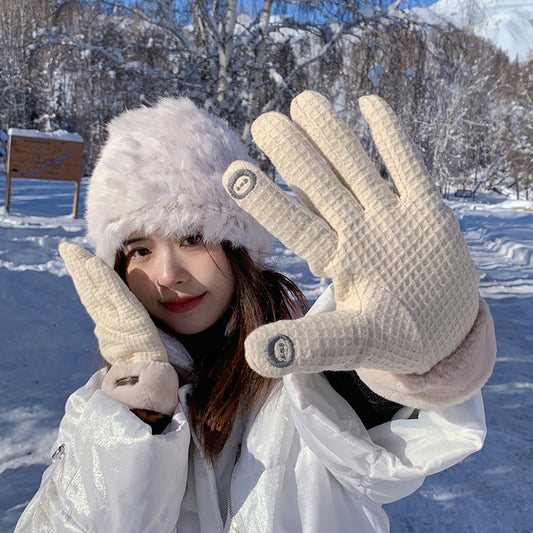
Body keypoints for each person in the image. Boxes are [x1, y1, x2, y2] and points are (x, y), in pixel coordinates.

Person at [15, 91, 496, 532]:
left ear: (238, 248)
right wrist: (136, 418)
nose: (167, 274)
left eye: (192, 238)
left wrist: (420, 358)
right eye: (139, 250)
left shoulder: (310, 372)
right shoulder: (99, 407)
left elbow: (373, 456)